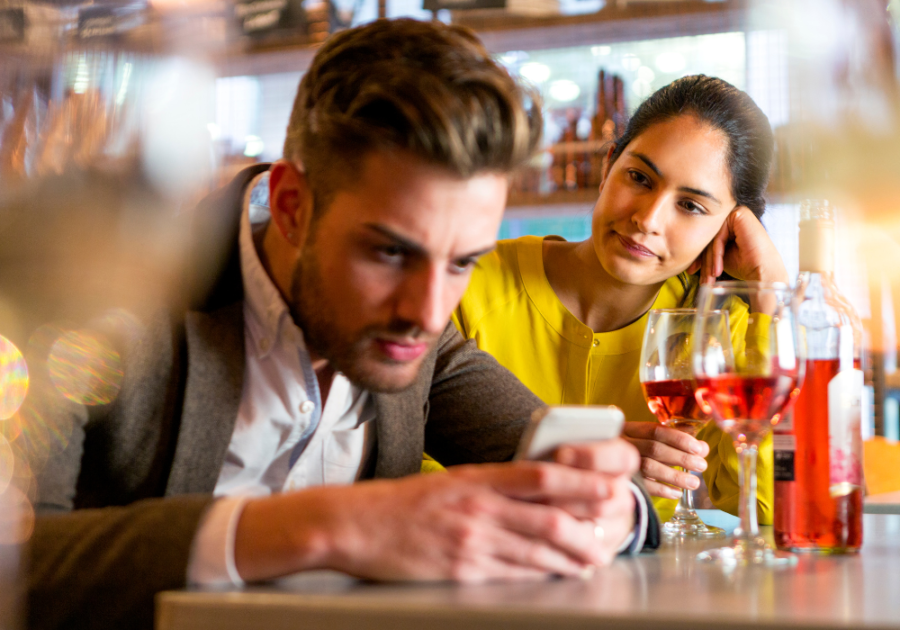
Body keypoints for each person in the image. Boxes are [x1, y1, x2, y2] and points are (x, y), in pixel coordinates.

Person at [22, 19, 659, 630]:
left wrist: (610, 505)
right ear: (294, 207)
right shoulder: (104, 300)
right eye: (389, 253)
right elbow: (20, 562)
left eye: (463, 262)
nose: (429, 310)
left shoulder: (420, 335)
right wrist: (331, 525)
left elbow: (610, 489)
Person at [452, 75, 789, 523]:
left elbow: (772, 505)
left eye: (690, 206)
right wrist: (566, 469)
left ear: (726, 229)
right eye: (639, 178)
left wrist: (771, 291)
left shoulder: (720, 330)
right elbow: (403, 468)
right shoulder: (469, 281)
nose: (647, 219)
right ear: (609, 164)